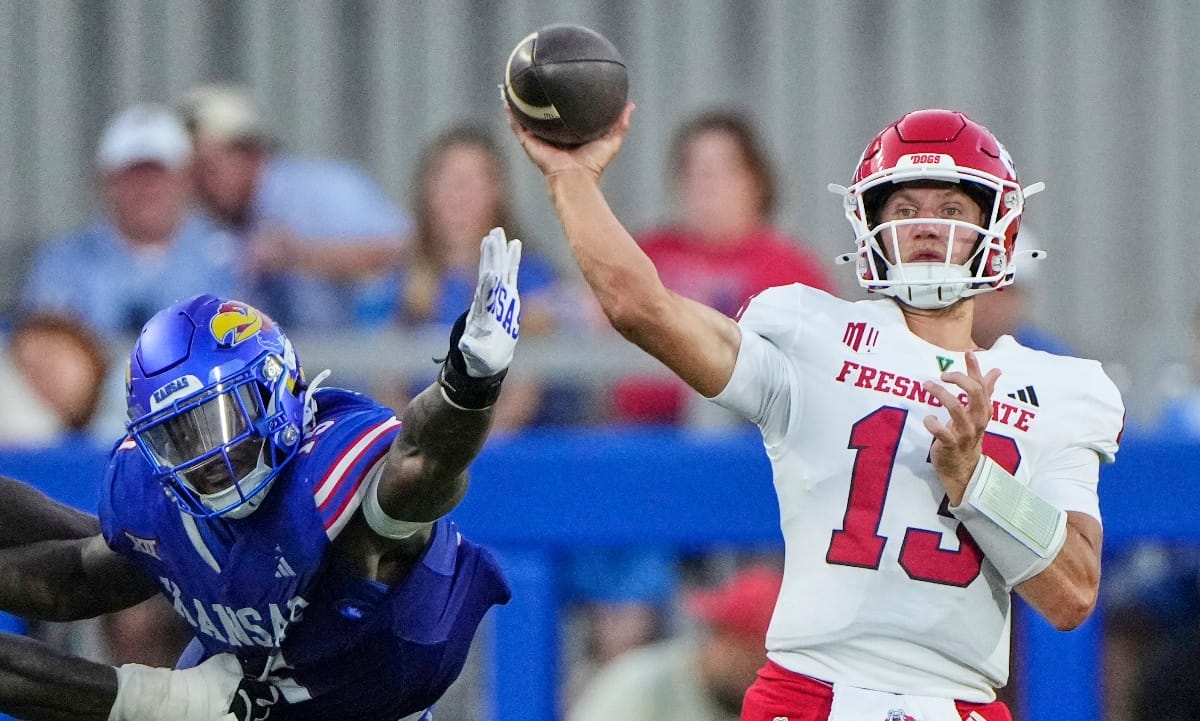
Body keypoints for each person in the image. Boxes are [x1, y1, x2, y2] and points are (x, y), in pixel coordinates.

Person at [511, 106, 1125, 719]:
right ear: (870, 225)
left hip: (958, 702)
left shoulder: (1058, 388)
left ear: (999, 231)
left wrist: (978, 483)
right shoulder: (815, 338)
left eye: (953, 210)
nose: (926, 227)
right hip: (812, 696)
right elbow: (642, 307)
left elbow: (1073, 593)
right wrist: (571, 179)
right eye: (905, 210)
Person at [0, 227, 524, 721]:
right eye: (180, 434)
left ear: (277, 389)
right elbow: (72, 581)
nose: (206, 454)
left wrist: (468, 384)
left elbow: (424, 466)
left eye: (221, 418)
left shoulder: (328, 475)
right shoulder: (154, 495)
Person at [614, 109, 837, 425]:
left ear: (755, 181)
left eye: (719, 170)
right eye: (692, 170)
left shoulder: (791, 269)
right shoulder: (646, 253)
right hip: (641, 438)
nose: (704, 185)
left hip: (749, 441)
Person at [178, 83, 410, 331]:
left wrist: (299, 255)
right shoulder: (210, 224)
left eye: (208, 168)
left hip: (357, 359)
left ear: (250, 154)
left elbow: (402, 250)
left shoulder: (320, 189)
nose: (199, 184)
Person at [389, 123, 569, 430]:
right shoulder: (396, 281)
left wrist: (469, 449)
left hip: (507, 453)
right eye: (448, 180)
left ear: (497, 192)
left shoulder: (530, 277)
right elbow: (383, 383)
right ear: (426, 190)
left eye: (473, 181)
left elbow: (528, 388)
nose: (459, 195)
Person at [23, 103, 238, 336]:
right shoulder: (62, 264)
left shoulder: (228, 260)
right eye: (132, 175)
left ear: (186, 180)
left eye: (158, 174)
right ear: (107, 182)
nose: (146, 189)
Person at [568, 566, 783, 721]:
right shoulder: (642, 683)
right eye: (751, 653)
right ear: (725, 639)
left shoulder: (773, 704)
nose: (763, 672)